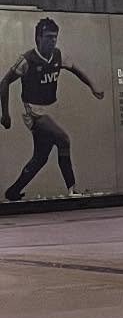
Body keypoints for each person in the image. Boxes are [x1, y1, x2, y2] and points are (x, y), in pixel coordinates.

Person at [2, 17, 106, 202]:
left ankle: (13, 191)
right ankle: (72, 189)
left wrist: (93, 86)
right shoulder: (27, 60)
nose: (52, 41)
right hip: (33, 112)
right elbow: (4, 83)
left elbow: (76, 70)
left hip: (49, 110)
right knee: (63, 140)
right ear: (38, 38)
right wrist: (5, 114)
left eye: (55, 37)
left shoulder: (58, 55)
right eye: (48, 37)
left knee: (40, 158)